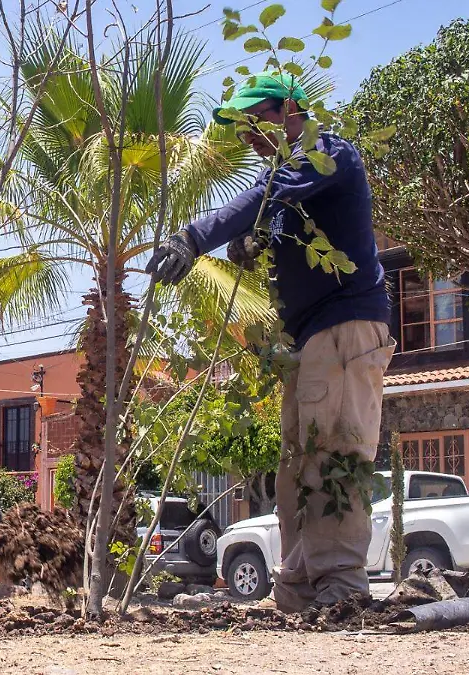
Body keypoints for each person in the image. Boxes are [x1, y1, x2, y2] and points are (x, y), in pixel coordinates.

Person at [146, 71, 396, 612]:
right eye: (241, 130)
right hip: (309, 336)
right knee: (296, 463)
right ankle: (301, 588)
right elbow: (272, 212)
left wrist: (193, 238)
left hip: (346, 327)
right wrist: (252, 242)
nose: (249, 138)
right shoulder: (294, 180)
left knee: (335, 454)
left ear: (289, 109)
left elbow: (266, 194)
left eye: (255, 121)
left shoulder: (326, 154)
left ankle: (341, 588)